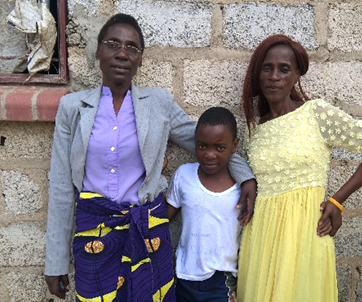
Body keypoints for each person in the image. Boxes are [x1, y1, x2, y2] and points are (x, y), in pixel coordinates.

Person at [44, 13, 257, 302]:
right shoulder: (73, 108)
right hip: (94, 233)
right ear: (98, 51)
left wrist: (246, 177)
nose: (122, 53)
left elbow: (209, 142)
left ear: (140, 59)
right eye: (112, 44)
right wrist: (55, 262)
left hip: (147, 231)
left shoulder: (158, 104)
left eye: (132, 48)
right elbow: (60, 188)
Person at [236, 34, 362, 302]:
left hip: (306, 235)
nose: (274, 76)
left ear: (297, 74)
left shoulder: (316, 113)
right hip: (262, 238)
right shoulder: (255, 130)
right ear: (258, 74)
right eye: (267, 68)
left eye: (284, 69)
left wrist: (337, 200)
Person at [166, 107, 242, 302]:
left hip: (222, 279)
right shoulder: (184, 175)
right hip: (184, 275)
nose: (209, 154)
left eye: (219, 147)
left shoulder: (242, 189)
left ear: (234, 146)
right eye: (202, 146)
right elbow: (166, 216)